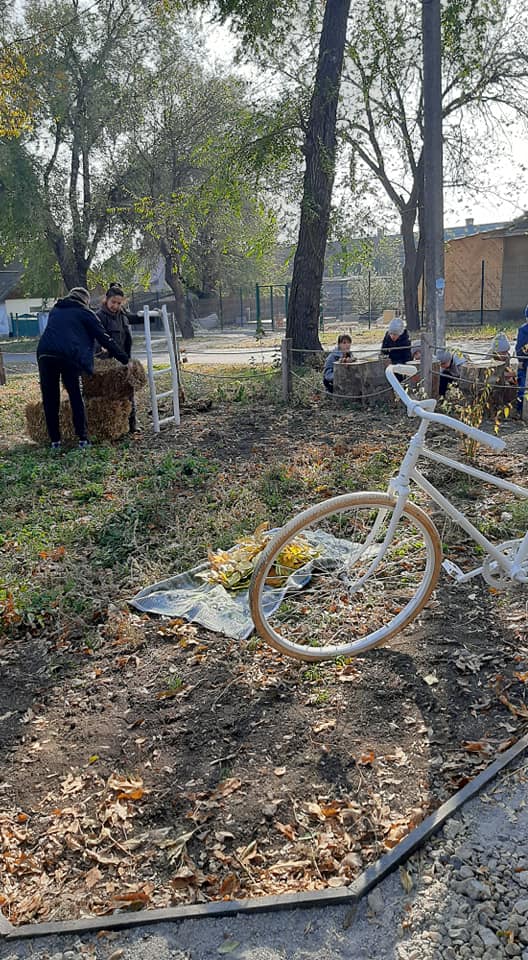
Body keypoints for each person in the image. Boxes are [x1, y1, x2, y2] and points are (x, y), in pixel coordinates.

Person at [37, 287, 131, 449]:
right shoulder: (85, 312)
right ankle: (82, 438)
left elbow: (65, 331)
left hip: (45, 354)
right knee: (75, 395)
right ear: (85, 301)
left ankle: (55, 441)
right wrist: (124, 358)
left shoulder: (56, 309)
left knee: (50, 398)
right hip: (68, 356)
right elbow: (104, 337)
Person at [96, 283, 138, 432]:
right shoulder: (99, 317)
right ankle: (112, 428)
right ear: (106, 300)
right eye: (113, 302)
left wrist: (149, 317)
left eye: (119, 303)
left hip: (124, 359)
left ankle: (132, 425)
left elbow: (132, 323)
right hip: (107, 362)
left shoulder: (122, 315)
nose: (115, 306)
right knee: (111, 395)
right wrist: (100, 350)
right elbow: (96, 338)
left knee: (128, 391)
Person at [515, 307, 528, 414]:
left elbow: (519, 347)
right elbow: (520, 348)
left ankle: (520, 407)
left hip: (524, 361)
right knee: (522, 384)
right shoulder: (524, 330)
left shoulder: (523, 330)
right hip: (525, 361)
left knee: (522, 383)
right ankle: (520, 407)